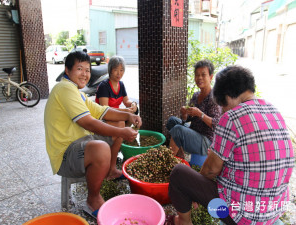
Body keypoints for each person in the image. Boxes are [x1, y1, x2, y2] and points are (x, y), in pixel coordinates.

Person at [167, 65, 295, 225]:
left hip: (238, 216)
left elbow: (210, 170)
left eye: (223, 107)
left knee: (179, 173)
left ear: (227, 97)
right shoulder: (275, 112)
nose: (223, 111)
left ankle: (183, 222)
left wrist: (195, 193)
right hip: (274, 210)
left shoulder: (231, 117)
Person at [44, 51, 142, 218]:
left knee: (117, 124)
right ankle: (93, 199)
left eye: (88, 70)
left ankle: (110, 170)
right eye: (79, 69)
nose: (85, 74)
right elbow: (88, 122)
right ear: (67, 70)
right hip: (66, 155)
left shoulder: (78, 93)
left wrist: (127, 115)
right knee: (102, 148)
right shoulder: (64, 88)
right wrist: (122, 132)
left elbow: (101, 111)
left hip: (82, 142)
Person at [166, 59, 222, 158]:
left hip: (206, 141)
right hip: (194, 131)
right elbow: (187, 119)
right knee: (172, 121)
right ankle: (180, 157)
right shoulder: (196, 95)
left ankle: (168, 162)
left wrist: (200, 114)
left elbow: (217, 125)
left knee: (178, 130)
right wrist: (184, 113)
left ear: (211, 77)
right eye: (197, 75)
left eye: (203, 75)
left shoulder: (214, 98)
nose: (199, 78)